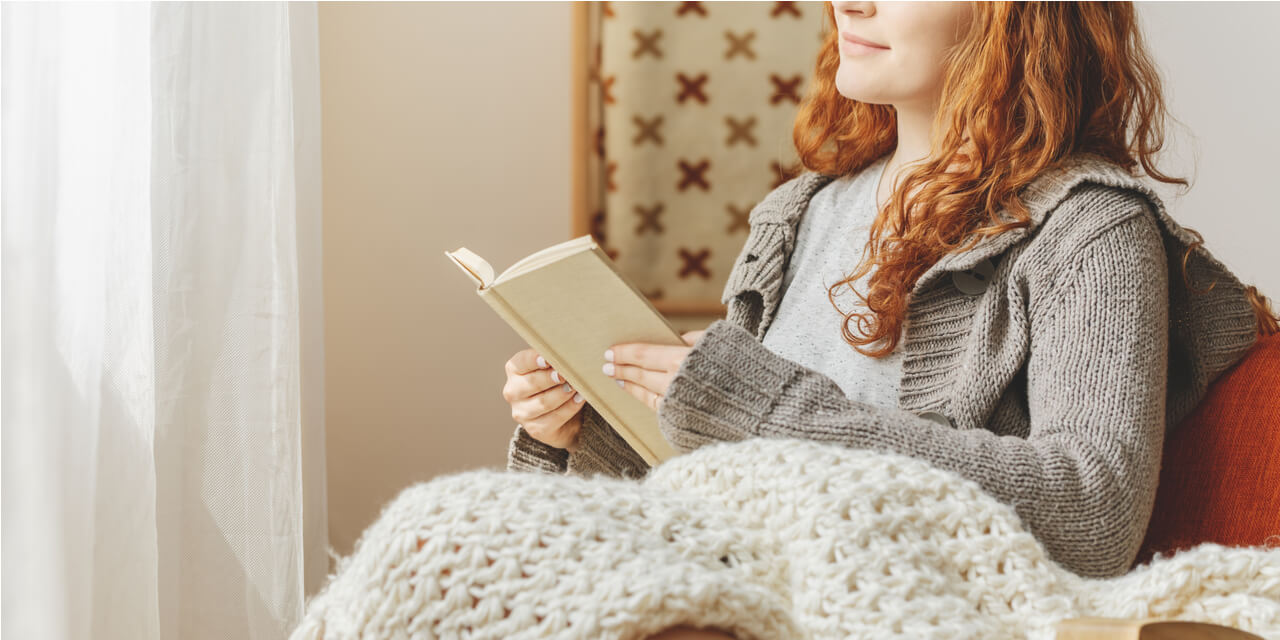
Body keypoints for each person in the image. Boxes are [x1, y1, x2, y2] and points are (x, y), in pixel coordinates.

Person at [504, 0, 1276, 586]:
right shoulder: (798, 213)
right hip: (743, 595)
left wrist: (768, 408)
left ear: (1016, 16)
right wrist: (589, 435)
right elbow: (728, 494)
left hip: (896, 614)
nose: (851, 3)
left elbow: (1095, 512)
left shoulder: (1090, 231)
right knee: (448, 536)